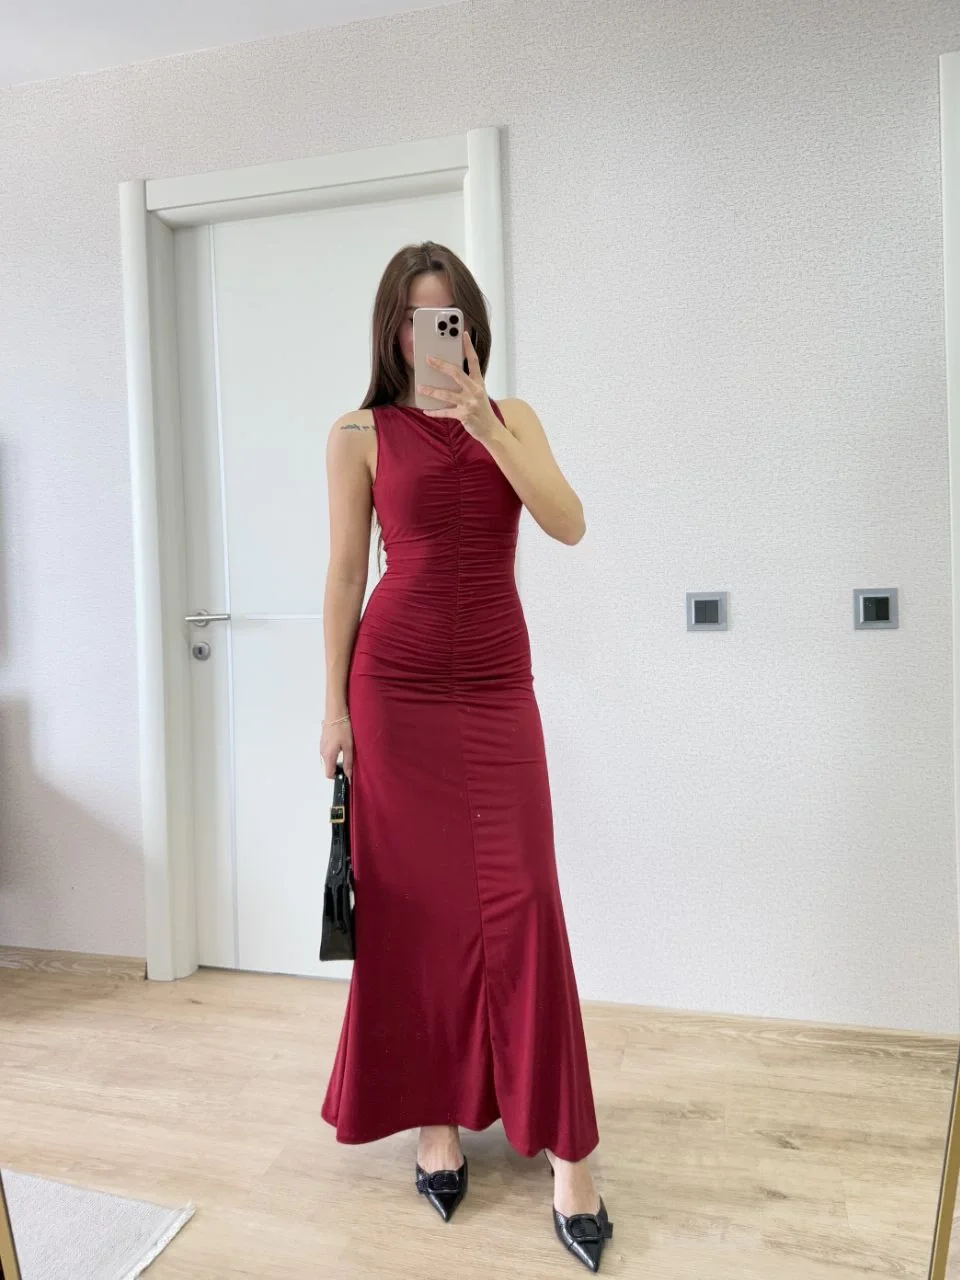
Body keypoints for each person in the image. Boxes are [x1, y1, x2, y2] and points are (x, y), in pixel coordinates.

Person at [318, 242, 614, 1273]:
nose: (430, 336)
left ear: (472, 327)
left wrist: (484, 423)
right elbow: (345, 573)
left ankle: (571, 1152)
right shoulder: (357, 434)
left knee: (525, 900)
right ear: (393, 331)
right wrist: (331, 707)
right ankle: (434, 1118)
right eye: (415, 319)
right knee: (414, 910)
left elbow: (569, 523)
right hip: (393, 691)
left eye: (447, 317)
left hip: (494, 689)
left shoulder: (513, 416)